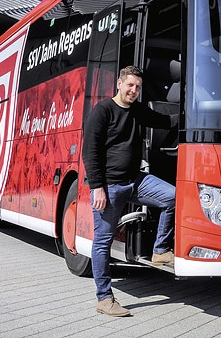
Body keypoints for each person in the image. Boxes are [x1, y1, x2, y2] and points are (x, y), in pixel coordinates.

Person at [82, 65, 178, 317]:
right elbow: (90, 152)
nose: (133, 90)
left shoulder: (137, 110)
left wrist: (194, 109)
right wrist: (97, 188)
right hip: (110, 186)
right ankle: (104, 299)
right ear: (119, 84)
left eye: (137, 87)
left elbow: (165, 121)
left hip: (135, 181)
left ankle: (160, 251)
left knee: (174, 197)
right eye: (130, 85)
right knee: (102, 242)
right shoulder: (103, 111)